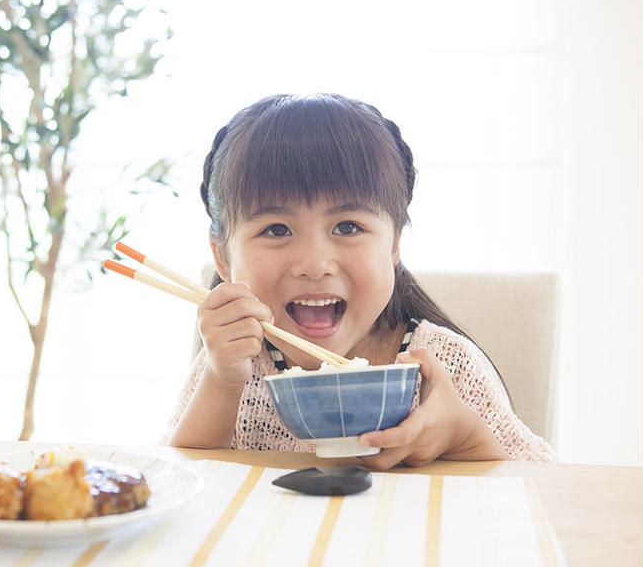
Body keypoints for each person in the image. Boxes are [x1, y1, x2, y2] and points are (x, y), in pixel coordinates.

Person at [165, 93, 556, 469]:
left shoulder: (444, 365)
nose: (314, 264)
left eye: (347, 226)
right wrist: (221, 381)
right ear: (222, 255)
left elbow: (546, 489)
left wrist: (468, 438)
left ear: (394, 246)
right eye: (277, 229)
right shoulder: (233, 360)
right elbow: (181, 484)